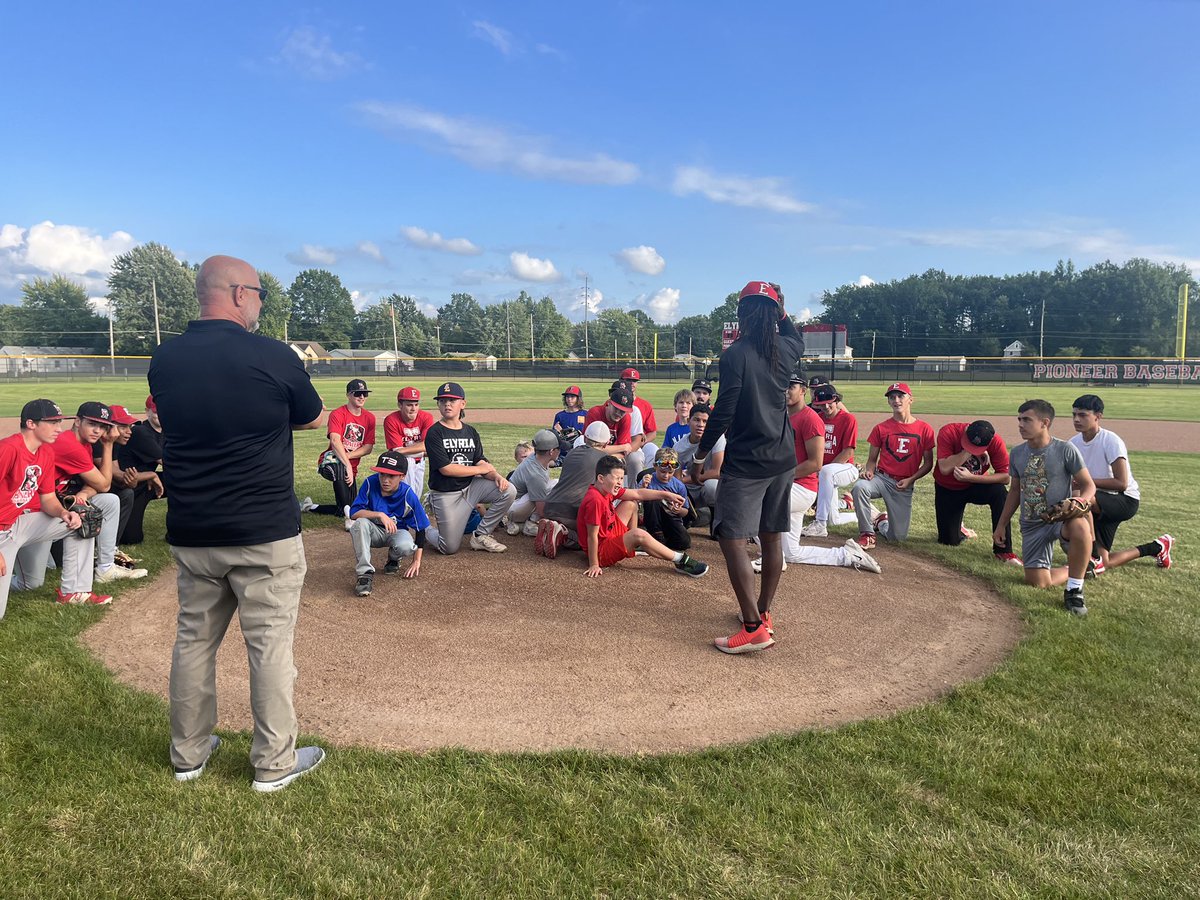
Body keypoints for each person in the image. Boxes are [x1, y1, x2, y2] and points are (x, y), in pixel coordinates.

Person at [149, 253, 326, 792]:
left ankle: (189, 755)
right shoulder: (271, 356)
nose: (261, 303)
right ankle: (273, 765)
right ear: (239, 293)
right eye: (259, 293)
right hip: (262, 531)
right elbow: (313, 416)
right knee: (269, 646)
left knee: (193, 641)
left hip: (193, 527)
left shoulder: (166, 358)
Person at [690, 281, 803, 654]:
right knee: (771, 535)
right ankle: (764, 614)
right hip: (783, 458)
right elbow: (793, 333)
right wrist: (781, 309)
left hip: (748, 461)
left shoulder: (735, 354)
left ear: (741, 315)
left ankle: (753, 627)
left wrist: (702, 454)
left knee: (731, 538)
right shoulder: (787, 348)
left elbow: (724, 411)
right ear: (775, 313)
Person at [1, 400, 108, 614]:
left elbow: (48, 499)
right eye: (52, 423)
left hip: (18, 523)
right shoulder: (8, 449)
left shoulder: (46, 452)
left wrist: (64, 513)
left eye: (59, 422)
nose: (59, 428)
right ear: (31, 423)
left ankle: (74, 592)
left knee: (82, 519)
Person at [993, 400, 1096, 615]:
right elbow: (1014, 491)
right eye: (1019, 419)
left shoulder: (1065, 449)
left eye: (1027, 420)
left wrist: (1079, 502)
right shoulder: (1017, 453)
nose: (1020, 424)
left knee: (1080, 526)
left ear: (1044, 423)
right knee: (1038, 583)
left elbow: (1088, 485)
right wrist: (1001, 525)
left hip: (1061, 519)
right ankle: (1076, 567)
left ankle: (1074, 590)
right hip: (1032, 525)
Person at [1069, 394, 1172, 575]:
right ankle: (1156, 547)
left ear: (1098, 416)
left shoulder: (1111, 441)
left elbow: (1121, 483)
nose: (1077, 419)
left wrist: (1086, 483)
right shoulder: (1073, 444)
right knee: (1106, 563)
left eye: (1083, 415)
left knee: (1084, 499)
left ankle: (1093, 553)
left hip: (1124, 501)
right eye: (1074, 415)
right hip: (1097, 504)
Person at [52, 401, 148, 583]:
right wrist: (108, 443)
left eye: (102, 427)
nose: (97, 430)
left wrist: (84, 494)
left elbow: (94, 485)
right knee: (36, 578)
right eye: (92, 424)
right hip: (42, 510)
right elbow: (104, 484)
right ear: (78, 421)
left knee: (110, 500)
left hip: (60, 506)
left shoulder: (85, 444)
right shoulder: (69, 444)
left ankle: (106, 566)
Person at [579, 454, 709, 579]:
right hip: (600, 552)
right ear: (601, 478)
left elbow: (637, 494)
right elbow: (592, 536)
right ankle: (680, 560)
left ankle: (632, 544)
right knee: (638, 534)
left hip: (608, 536)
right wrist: (594, 564)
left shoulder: (603, 489)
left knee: (631, 503)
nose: (619, 482)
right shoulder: (595, 499)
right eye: (616, 478)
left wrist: (667, 495)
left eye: (621, 478)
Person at [422, 381, 516, 555]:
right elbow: (446, 469)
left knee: (508, 489)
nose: (447, 404)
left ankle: (481, 535)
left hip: (471, 488)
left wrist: (495, 475)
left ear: (463, 403)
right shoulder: (434, 432)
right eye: (443, 401)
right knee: (448, 548)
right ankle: (425, 528)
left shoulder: (470, 431)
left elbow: (480, 460)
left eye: (452, 400)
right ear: (438, 405)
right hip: (446, 494)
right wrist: (480, 470)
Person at [851, 383, 936, 550]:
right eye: (892, 397)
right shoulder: (881, 428)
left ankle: (881, 522)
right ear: (889, 402)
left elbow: (928, 464)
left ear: (911, 399)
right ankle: (867, 534)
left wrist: (911, 479)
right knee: (860, 487)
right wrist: (869, 470)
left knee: (897, 538)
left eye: (900, 396)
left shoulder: (924, 429)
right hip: (882, 478)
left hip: (903, 485)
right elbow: (872, 459)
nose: (896, 400)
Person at [932, 420, 1019, 563]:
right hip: (948, 488)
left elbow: (1005, 477)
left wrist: (972, 477)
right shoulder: (949, 432)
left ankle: (1003, 551)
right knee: (948, 541)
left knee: (1000, 492)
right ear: (966, 430)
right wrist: (968, 451)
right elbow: (945, 468)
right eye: (969, 443)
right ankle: (960, 531)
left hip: (974, 484)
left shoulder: (995, 441)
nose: (972, 448)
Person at [349, 451, 429, 596]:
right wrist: (379, 515)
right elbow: (353, 513)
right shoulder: (370, 483)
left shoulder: (408, 494)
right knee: (359, 524)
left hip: (396, 532)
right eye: (382, 474)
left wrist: (416, 561)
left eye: (391, 476)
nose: (385, 480)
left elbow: (421, 528)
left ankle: (393, 558)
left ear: (402, 476)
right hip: (373, 531)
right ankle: (364, 575)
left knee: (407, 546)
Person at [537, 421, 612, 558]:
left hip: (550, 505)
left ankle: (552, 528)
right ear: (607, 443)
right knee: (591, 539)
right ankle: (563, 534)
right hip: (571, 513)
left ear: (584, 438)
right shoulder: (605, 461)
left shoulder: (572, 453)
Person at [307, 380, 376, 528]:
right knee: (340, 468)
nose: (362, 397)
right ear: (348, 395)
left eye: (364, 394)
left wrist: (349, 461)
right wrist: (347, 465)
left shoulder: (369, 418)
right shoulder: (338, 414)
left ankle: (311, 507)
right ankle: (349, 520)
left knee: (347, 507)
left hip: (350, 466)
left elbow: (368, 447)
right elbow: (335, 440)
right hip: (329, 461)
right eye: (358, 393)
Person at [801, 384, 860, 537]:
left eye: (830, 402)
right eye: (821, 404)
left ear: (836, 400)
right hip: (826, 472)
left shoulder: (848, 419)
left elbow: (848, 452)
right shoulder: (817, 418)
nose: (826, 407)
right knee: (834, 519)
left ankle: (820, 524)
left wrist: (820, 471)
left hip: (846, 468)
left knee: (827, 471)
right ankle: (870, 516)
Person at [114, 396, 164, 546]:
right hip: (129, 488)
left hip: (144, 486)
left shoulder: (166, 432)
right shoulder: (141, 432)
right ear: (147, 412)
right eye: (156, 411)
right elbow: (168, 462)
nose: (161, 415)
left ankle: (179, 528)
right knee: (131, 538)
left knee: (179, 479)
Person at [637, 446, 696, 551]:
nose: (666, 475)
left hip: (671, 518)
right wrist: (643, 488)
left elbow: (685, 512)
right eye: (663, 472)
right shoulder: (648, 480)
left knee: (684, 542)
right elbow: (636, 500)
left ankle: (662, 542)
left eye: (670, 472)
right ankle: (656, 535)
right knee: (653, 496)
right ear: (655, 466)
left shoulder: (679, 486)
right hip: (653, 519)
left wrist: (678, 510)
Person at [673, 403, 724, 522]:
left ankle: (715, 517)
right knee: (676, 489)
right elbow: (676, 479)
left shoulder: (717, 438)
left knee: (712, 486)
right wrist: (683, 483)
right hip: (691, 489)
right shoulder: (679, 447)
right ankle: (690, 515)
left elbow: (717, 472)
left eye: (705, 421)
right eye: (696, 420)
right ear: (688, 421)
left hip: (710, 485)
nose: (700, 425)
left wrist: (687, 479)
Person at [505, 430, 560, 536]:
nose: (560, 451)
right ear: (551, 452)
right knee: (555, 485)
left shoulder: (536, 457)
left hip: (513, 503)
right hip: (513, 508)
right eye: (558, 449)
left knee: (549, 486)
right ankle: (531, 525)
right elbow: (541, 510)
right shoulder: (536, 474)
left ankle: (519, 523)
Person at [382, 386, 434, 494]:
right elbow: (397, 451)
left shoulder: (426, 417)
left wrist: (402, 451)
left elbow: (426, 445)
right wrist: (423, 452)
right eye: (409, 405)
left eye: (416, 404)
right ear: (400, 405)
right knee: (407, 494)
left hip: (420, 462)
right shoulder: (391, 420)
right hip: (402, 463)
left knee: (417, 495)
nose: (413, 408)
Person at [582, 384, 635, 458]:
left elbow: (623, 453)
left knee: (635, 457)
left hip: (613, 458)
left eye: (623, 411)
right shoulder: (595, 413)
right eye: (616, 409)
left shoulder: (626, 418)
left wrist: (607, 459)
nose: (618, 413)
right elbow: (591, 447)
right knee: (579, 442)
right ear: (609, 403)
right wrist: (622, 447)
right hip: (591, 456)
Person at [552, 385, 587, 462]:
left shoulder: (585, 414)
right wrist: (559, 432)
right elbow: (555, 436)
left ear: (578, 399)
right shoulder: (560, 416)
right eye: (567, 397)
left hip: (581, 451)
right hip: (564, 452)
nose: (569, 399)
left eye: (572, 397)